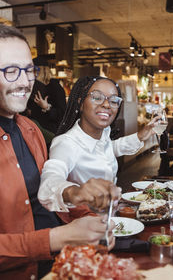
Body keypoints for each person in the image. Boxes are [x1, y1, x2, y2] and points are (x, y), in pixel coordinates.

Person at [0, 24, 120, 280]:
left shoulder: (30, 129)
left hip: (60, 266)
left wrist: (85, 212)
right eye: (10, 71)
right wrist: (57, 238)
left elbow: (46, 191)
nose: (24, 82)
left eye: (29, 70)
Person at [38, 75, 157, 213]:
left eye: (113, 100)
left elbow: (110, 148)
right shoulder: (66, 143)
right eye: (97, 97)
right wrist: (74, 192)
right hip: (84, 227)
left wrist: (140, 136)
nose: (106, 104)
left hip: (109, 219)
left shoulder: (103, 133)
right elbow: (50, 179)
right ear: (81, 103)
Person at [26, 56, 66, 134]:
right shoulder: (34, 86)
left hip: (50, 131)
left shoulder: (55, 87)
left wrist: (46, 107)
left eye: (33, 70)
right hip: (35, 129)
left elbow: (62, 114)